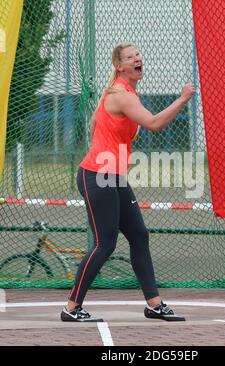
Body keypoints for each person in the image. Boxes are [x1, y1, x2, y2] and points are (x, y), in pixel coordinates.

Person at [60, 42, 195, 322]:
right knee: (104, 243)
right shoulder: (121, 94)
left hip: (113, 176)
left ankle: (154, 304)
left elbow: (111, 129)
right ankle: (71, 308)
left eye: (139, 55)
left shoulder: (127, 92)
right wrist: (182, 99)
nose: (138, 58)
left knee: (139, 236)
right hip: (97, 175)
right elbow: (154, 124)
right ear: (120, 66)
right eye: (131, 57)